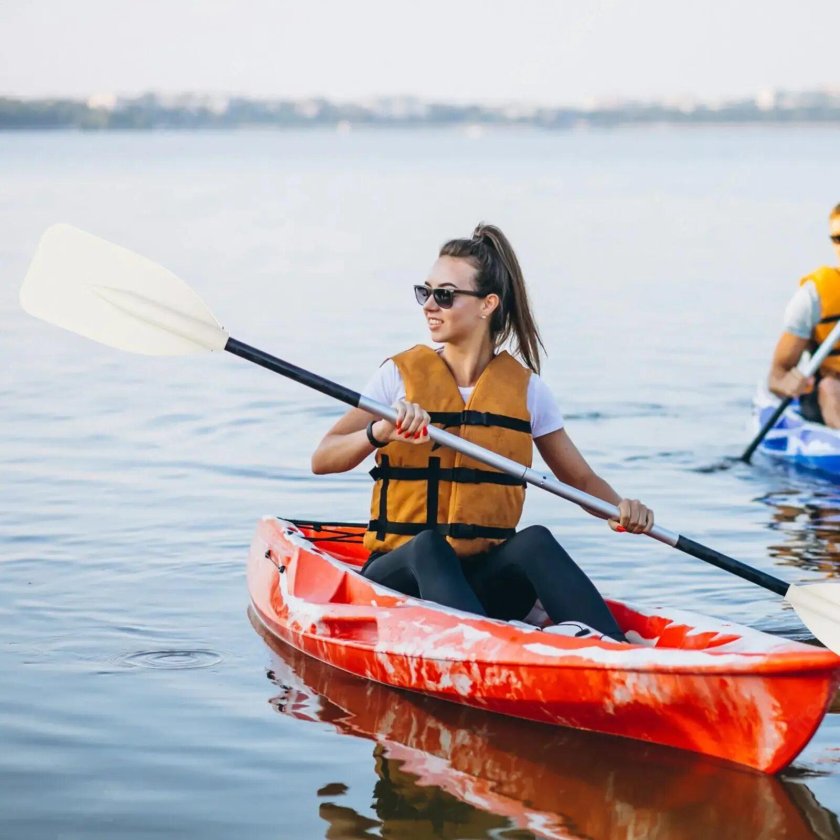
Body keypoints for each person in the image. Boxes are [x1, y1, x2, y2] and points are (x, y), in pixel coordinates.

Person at [311, 223, 654, 641]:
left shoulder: (528, 391)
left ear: (487, 304)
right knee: (428, 546)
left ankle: (618, 654)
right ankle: (485, 649)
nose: (429, 306)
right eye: (426, 292)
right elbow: (322, 458)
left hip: (482, 583)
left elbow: (580, 480)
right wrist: (380, 432)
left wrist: (623, 510)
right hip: (400, 580)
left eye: (445, 295)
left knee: (535, 542)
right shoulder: (396, 378)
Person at [768, 203, 840, 427]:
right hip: (831, 393)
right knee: (830, 388)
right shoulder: (814, 297)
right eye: (837, 239)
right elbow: (776, 375)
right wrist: (787, 384)